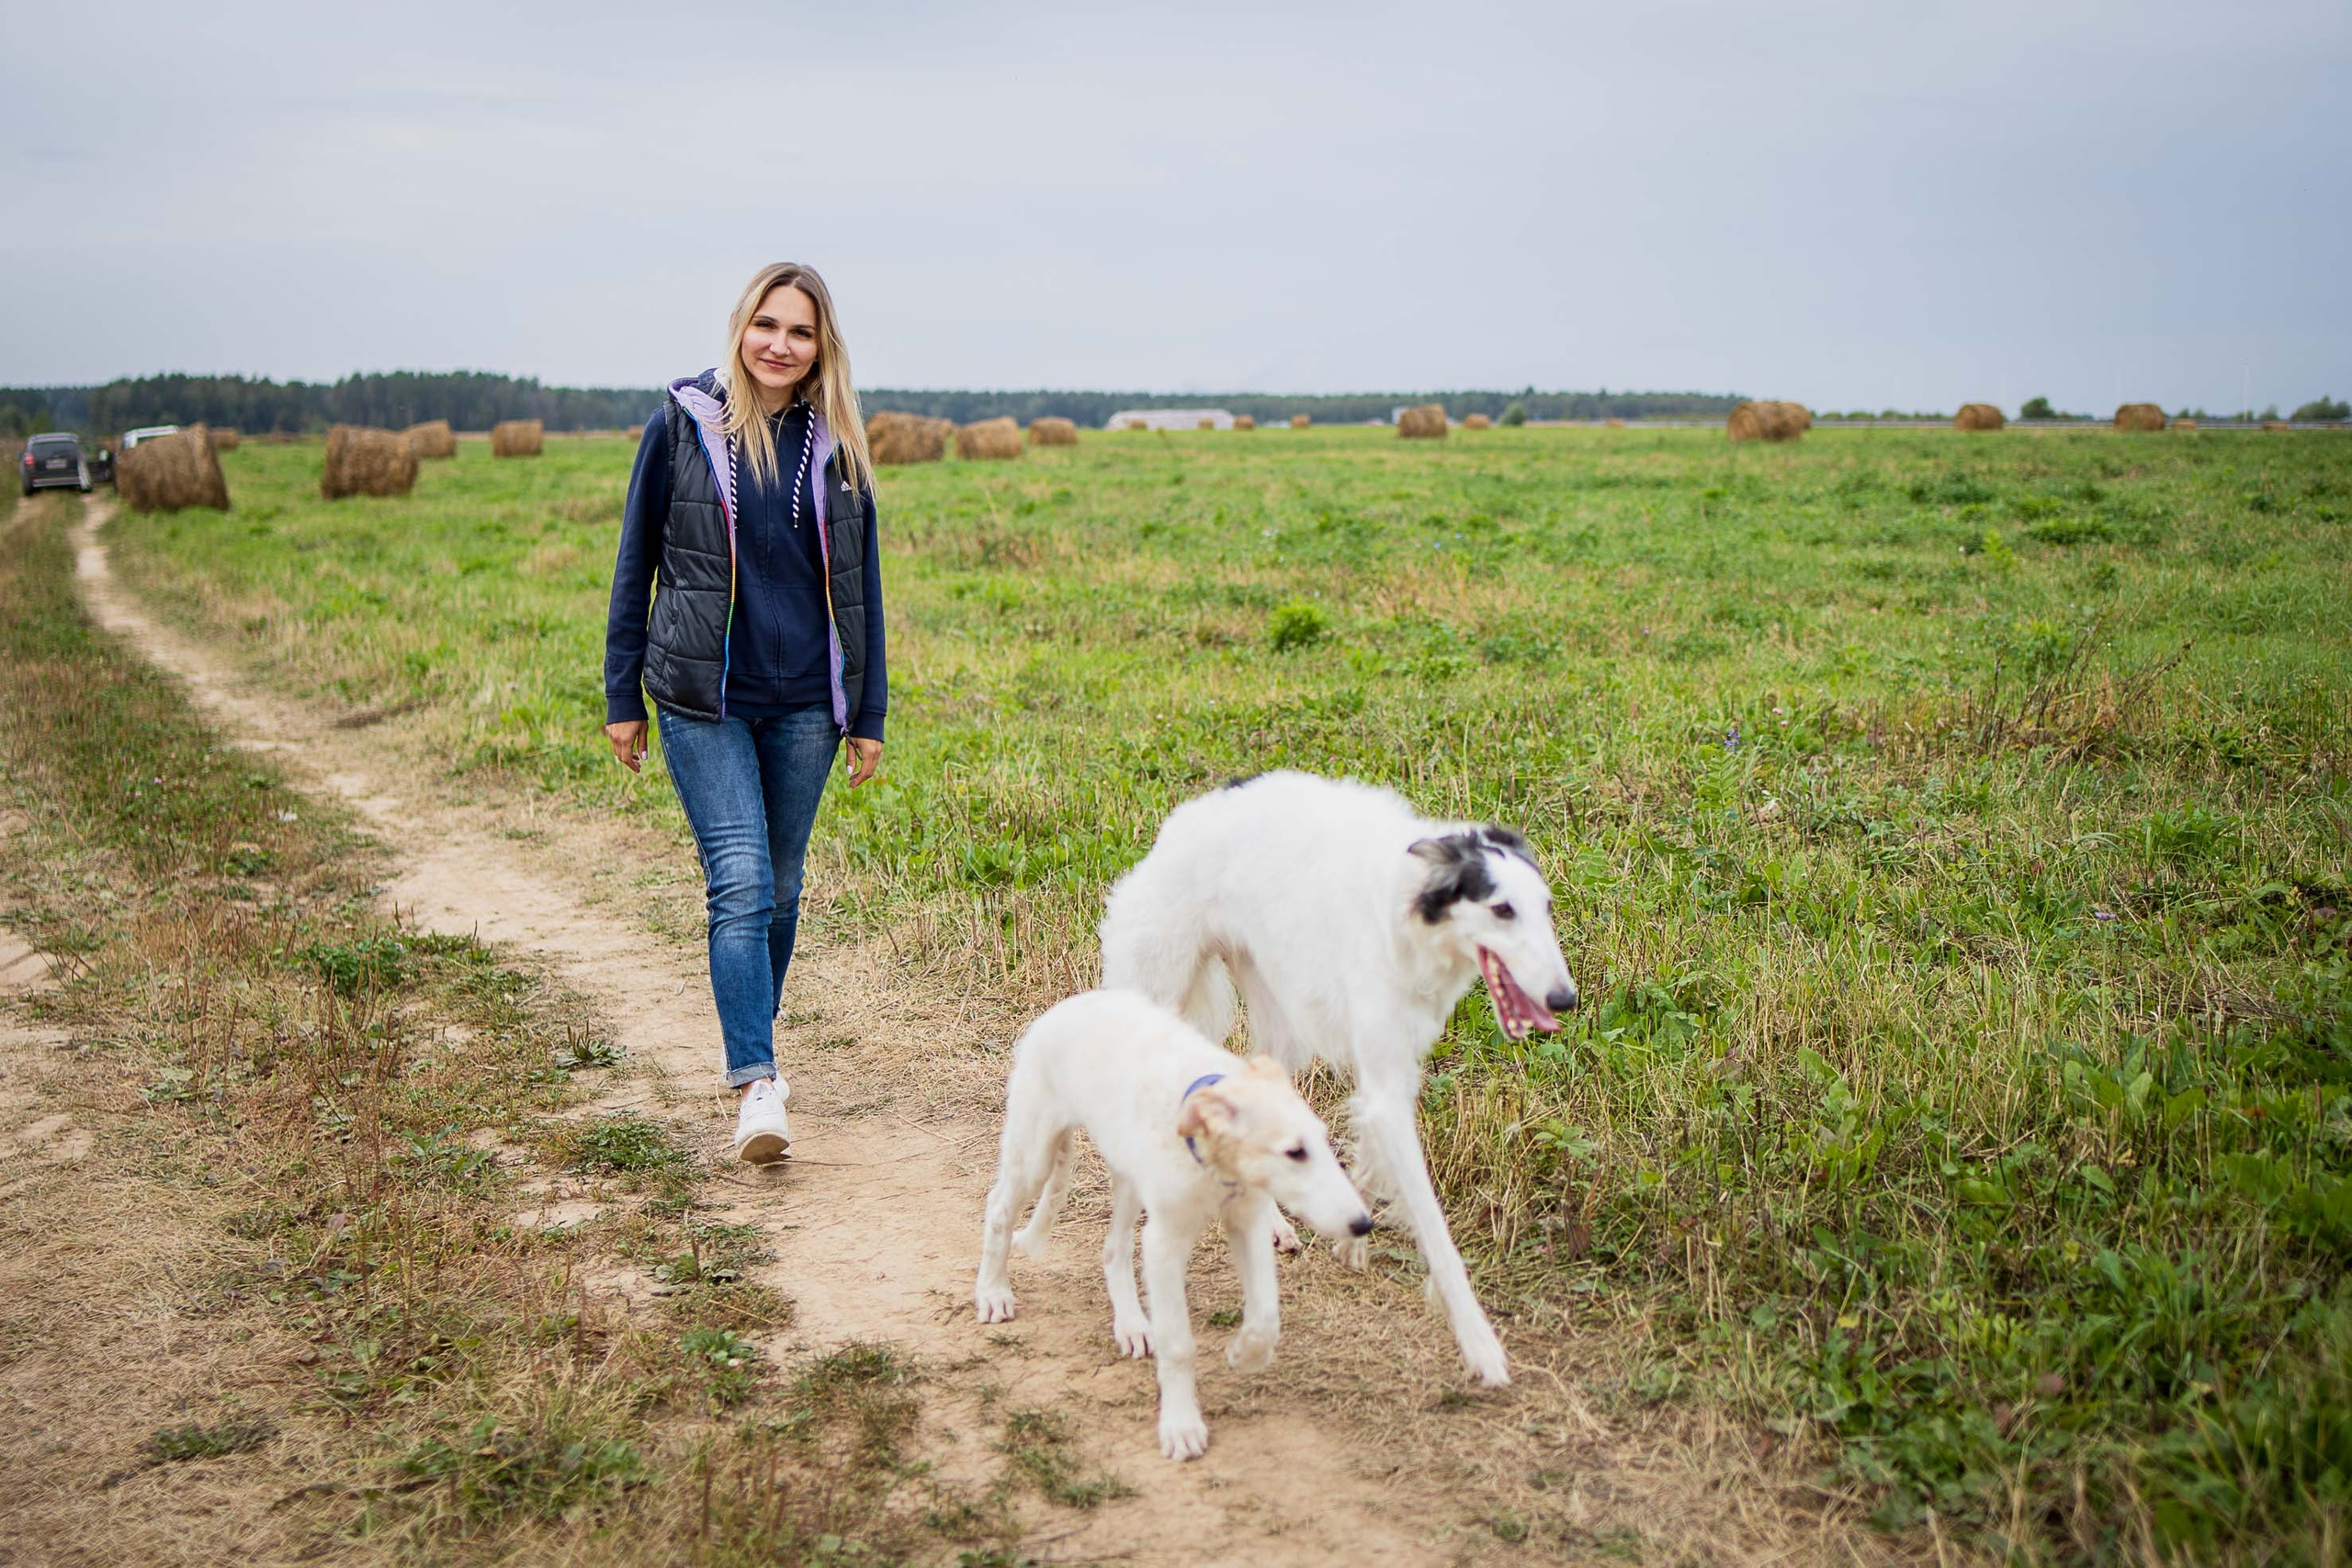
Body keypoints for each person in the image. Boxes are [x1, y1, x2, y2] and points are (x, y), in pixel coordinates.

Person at [603, 262, 887, 1165]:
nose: (780, 344)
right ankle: (757, 1083)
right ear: (742, 327)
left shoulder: (836, 443)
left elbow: (861, 588)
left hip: (806, 703)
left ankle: (757, 1056)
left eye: (799, 332)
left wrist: (868, 709)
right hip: (701, 698)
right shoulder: (683, 427)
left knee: (785, 887)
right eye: (768, 325)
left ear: (820, 348)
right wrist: (622, 697)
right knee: (741, 881)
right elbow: (634, 560)